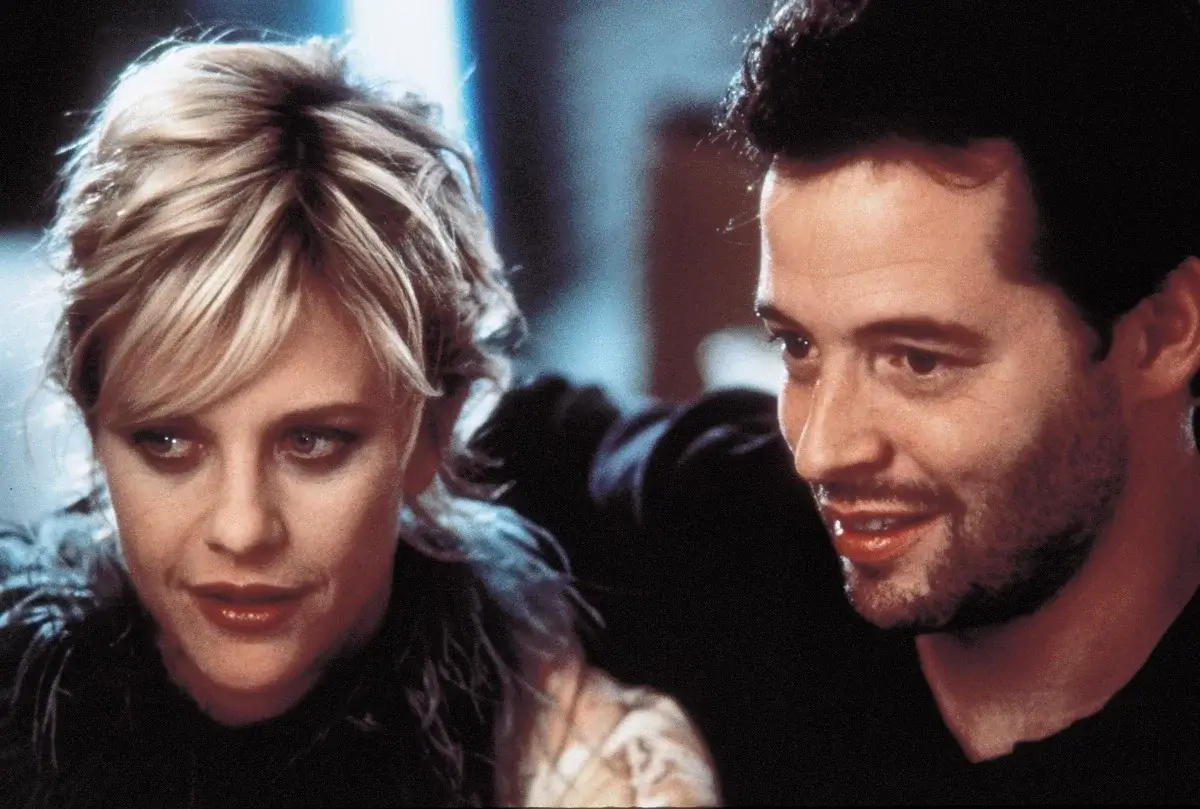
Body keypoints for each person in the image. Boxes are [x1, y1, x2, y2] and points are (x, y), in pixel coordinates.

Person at [467, 0, 1200, 803]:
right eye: (798, 347)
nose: (820, 450)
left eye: (917, 361)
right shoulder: (740, 537)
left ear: (1163, 332)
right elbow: (486, 434)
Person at [0, 38, 720, 808]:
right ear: (93, 422)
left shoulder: (573, 759)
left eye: (311, 442)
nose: (242, 528)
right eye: (169, 441)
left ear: (433, 430)